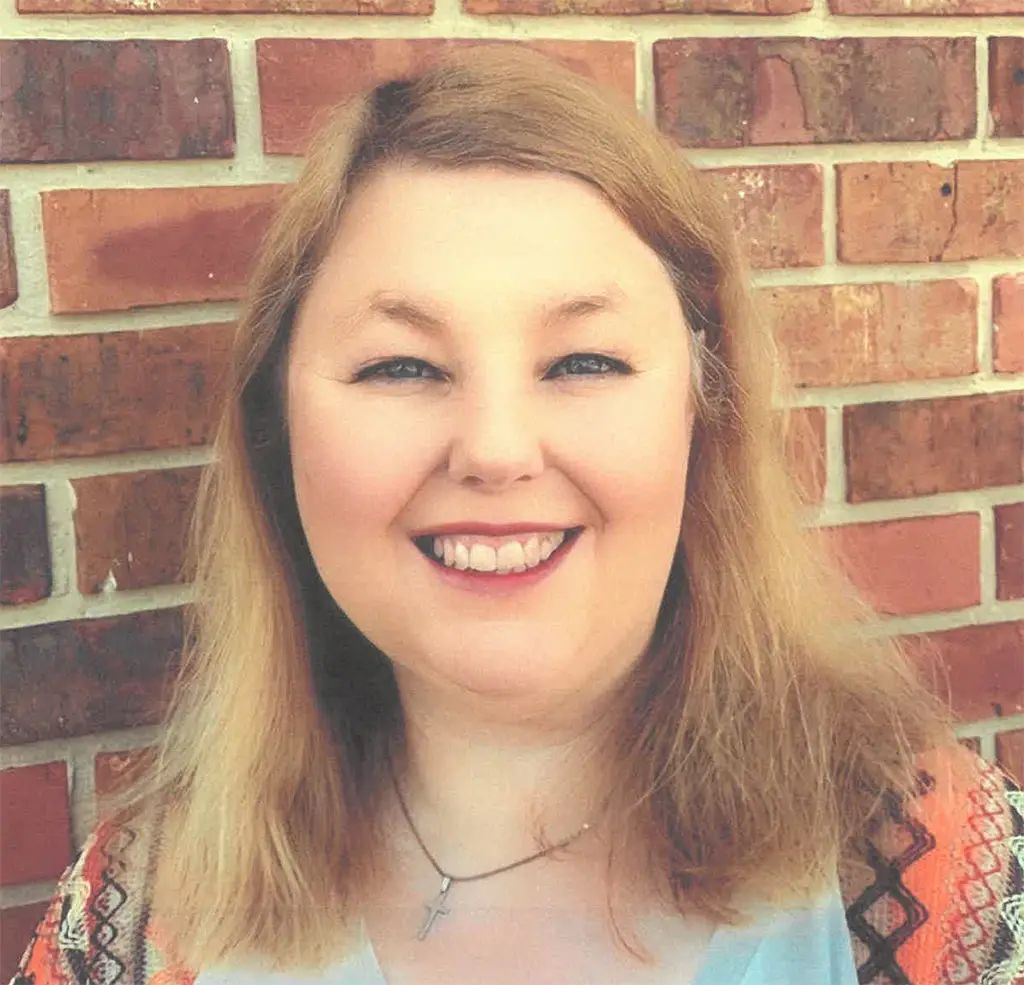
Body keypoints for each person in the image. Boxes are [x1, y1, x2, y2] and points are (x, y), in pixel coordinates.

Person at [10, 46, 1022, 985]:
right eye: (401, 364)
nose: (495, 449)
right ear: (279, 433)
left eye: (583, 361)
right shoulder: (143, 916)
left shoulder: (939, 882)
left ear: (701, 415)